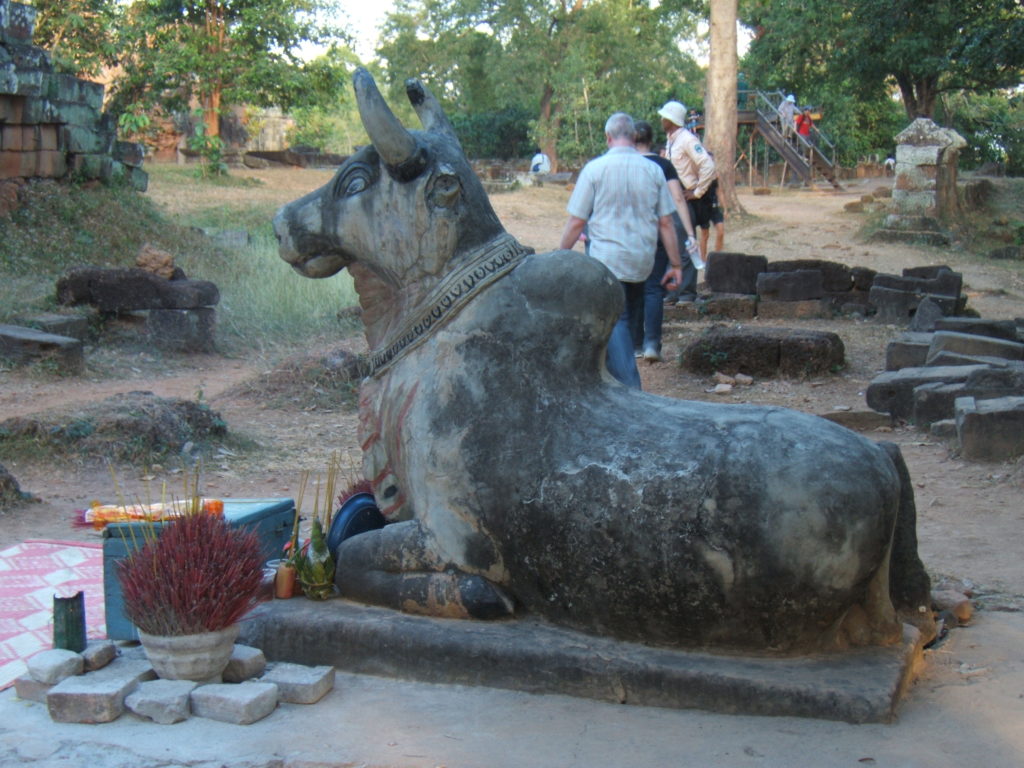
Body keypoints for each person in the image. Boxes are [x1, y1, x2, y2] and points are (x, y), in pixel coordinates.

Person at [559, 112, 682, 389]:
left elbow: (577, 221)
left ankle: (630, 386)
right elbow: (666, 222)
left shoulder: (595, 169)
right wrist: (675, 264)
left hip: (606, 261)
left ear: (608, 137)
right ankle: (615, 378)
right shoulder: (653, 170)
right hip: (641, 260)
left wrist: (560, 254)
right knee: (626, 319)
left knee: (617, 322)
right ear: (635, 137)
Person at [630, 120, 702, 363]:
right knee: (653, 289)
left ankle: (635, 344)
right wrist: (690, 233)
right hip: (658, 235)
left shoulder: (625, 164)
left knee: (633, 289)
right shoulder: (663, 165)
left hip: (630, 234)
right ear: (652, 140)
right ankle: (652, 344)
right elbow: (678, 200)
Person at [658, 100, 718, 265]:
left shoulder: (687, 140)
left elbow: (707, 165)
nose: (661, 120)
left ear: (671, 120)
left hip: (686, 197)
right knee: (676, 241)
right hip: (674, 195)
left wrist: (697, 192)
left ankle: (687, 289)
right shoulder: (671, 140)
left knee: (686, 244)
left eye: (664, 118)